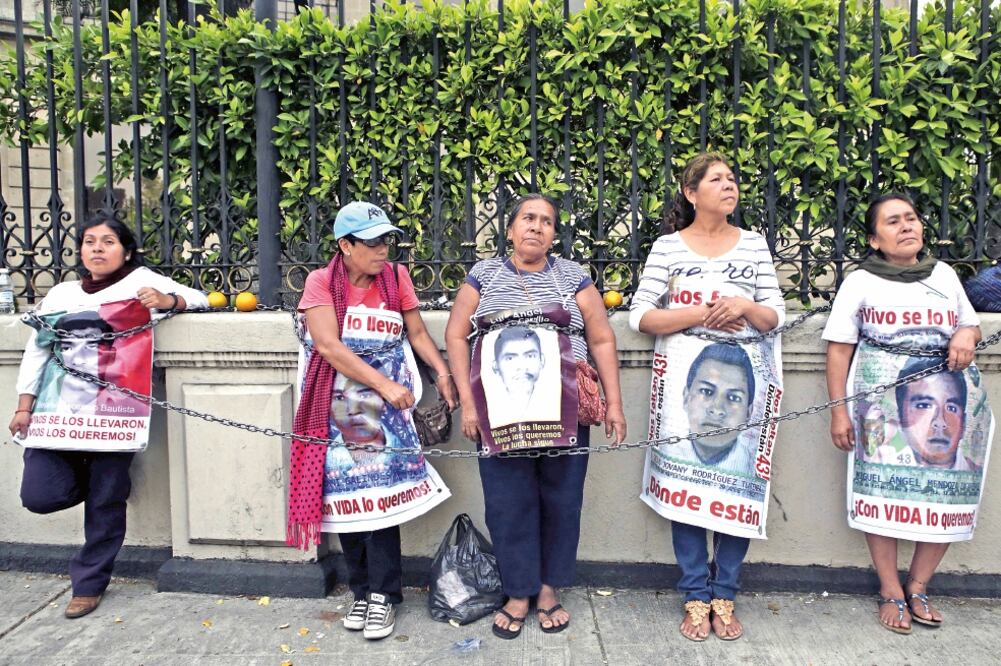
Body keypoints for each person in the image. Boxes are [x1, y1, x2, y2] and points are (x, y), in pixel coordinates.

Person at [7, 210, 208, 619]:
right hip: (57, 413)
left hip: (116, 414)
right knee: (40, 495)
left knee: (105, 502)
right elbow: (37, 350)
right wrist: (24, 405)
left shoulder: (141, 282)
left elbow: (202, 299)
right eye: (89, 242)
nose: (97, 249)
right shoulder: (61, 294)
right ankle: (104, 487)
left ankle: (88, 583)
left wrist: (168, 301)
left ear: (127, 251)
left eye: (108, 242)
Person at [445, 193, 626, 639]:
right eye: (528, 218)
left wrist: (614, 404)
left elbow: (601, 339)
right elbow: (455, 335)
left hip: (567, 410)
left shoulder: (573, 276)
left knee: (562, 501)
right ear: (510, 230)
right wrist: (469, 403)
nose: (537, 226)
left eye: (546, 221)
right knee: (509, 503)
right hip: (500, 413)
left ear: (553, 233)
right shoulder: (484, 275)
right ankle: (518, 591)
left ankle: (547, 588)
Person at [629, 153, 784, 642]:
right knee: (687, 488)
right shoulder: (668, 247)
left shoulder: (754, 245)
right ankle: (696, 594)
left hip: (744, 389)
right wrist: (702, 314)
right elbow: (641, 316)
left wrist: (743, 305)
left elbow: (774, 315)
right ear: (691, 193)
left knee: (737, 488)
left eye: (732, 178)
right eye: (716, 179)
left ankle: (725, 593)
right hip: (686, 384)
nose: (729, 185)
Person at [286, 201, 457, 641]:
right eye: (373, 242)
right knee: (350, 499)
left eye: (387, 240)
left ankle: (383, 594)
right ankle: (361, 591)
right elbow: (329, 346)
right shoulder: (321, 282)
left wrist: (442, 374)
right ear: (345, 246)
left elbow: (416, 333)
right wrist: (383, 384)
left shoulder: (396, 278)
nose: (383, 249)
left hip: (388, 410)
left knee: (382, 501)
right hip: (341, 406)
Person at [824, 192, 982, 634]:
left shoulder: (944, 275)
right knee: (882, 494)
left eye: (911, 218)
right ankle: (890, 588)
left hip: (949, 401)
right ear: (874, 240)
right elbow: (838, 350)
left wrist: (966, 334)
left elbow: (969, 322)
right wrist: (839, 413)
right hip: (883, 410)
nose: (907, 226)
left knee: (946, 492)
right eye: (893, 221)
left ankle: (919, 585)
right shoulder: (860, 283)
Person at [676, 343, 756, 476]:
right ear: (686, 398)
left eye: (734, 397)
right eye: (706, 391)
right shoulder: (664, 448)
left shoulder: (754, 466)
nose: (717, 409)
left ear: (748, 412)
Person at [487, 326, 556, 426]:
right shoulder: (489, 408)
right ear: (495, 366)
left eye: (530, 356)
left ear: (542, 360)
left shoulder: (556, 402)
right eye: (510, 358)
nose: (522, 366)